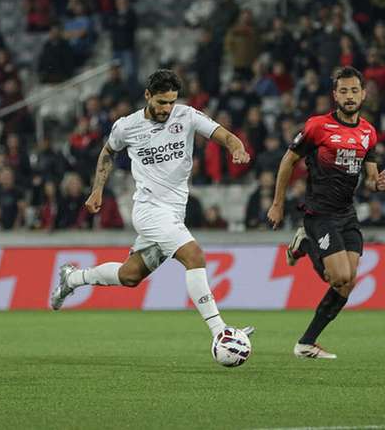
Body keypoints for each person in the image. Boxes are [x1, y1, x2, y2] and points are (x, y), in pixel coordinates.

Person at [50, 69, 254, 352]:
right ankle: (221, 333)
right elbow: (108, 153)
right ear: (147, 96)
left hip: (174, 212)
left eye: (171, 102)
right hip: (149, 211)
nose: (167, 109)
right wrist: (97, 189)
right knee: (194, 255)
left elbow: (225, 136)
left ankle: (72, 278)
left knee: (129, 276)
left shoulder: (187, 115)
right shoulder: (127, 126)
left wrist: (237, 148)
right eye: (161, 102)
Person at [267, 66, 385, 359]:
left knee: (348, 283)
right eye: (343, 91)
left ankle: (306, 342)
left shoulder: (368, 133)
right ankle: (306, 243)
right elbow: (288, 162)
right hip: (319, 212)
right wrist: (277, 203)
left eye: (354, 91)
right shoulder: (317, 127)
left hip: (347, 214)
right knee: (339, 277)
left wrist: (377, 183)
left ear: (364, 94)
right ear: (335, 95)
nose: (349, 96)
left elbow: (370, 175)